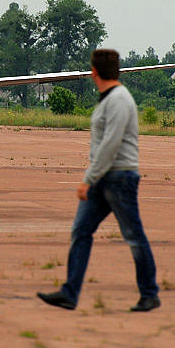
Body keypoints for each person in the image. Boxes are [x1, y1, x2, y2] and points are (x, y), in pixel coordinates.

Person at [37, 49, 160, 313]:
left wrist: (88, 179)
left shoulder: (118, 100)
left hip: (118, 177)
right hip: (103, 178)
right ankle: (69, 293)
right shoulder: (107, 100)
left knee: (133, 235)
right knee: (81, 232)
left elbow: (110, 145)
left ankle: (150, 294)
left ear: (95, 72)